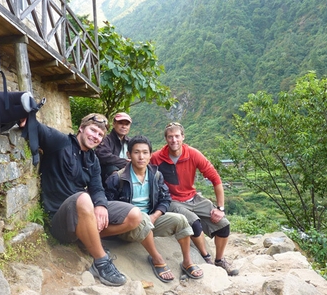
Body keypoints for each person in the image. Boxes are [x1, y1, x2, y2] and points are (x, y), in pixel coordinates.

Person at [31, 113, 142, 286]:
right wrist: (24, 113)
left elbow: (97, 188)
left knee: (135, 215)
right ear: (81, 128)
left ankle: (87, 238)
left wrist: (101, 206)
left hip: (84, 211)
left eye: (100, 135)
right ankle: (101, 263)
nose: (95, 136)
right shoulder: (60, 142)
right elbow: (35, 126)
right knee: (83, 198)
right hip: (59, 218)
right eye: (92, 130)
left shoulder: (93, 160)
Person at [105, 135, 203, 282]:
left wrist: (155, 216)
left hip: (150, 220)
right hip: (128, 226)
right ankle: (157, 258)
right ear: (129, 155)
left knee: (181, 219)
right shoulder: (117, 178)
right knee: (141, 218)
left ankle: (187, 261)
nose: (141, 157)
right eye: (136, 152)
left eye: (145, 152)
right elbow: (108, 206)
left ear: (151, 155)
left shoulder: (156, 176)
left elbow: (165, 198)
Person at [150, 122, 239, 276]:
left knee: (224, 225)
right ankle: (206, 257)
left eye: (177, 136)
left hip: (193, 197)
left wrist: (220, 208)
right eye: (170, 137)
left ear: (183, 137)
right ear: (166, 139)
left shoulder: (193, 154)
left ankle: (220, 259)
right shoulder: (157, 158)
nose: (174, 140)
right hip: (172, 200)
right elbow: (141, 168)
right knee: (194, 223)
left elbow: (215, 178)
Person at [95, 112, 132, 183]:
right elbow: (103, 156)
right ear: (114, 124)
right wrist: (125, 162)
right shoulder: (105, 139)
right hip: (107, 176)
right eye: (121, 123)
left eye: (126, 124)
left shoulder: (130, 142)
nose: (124, 126)